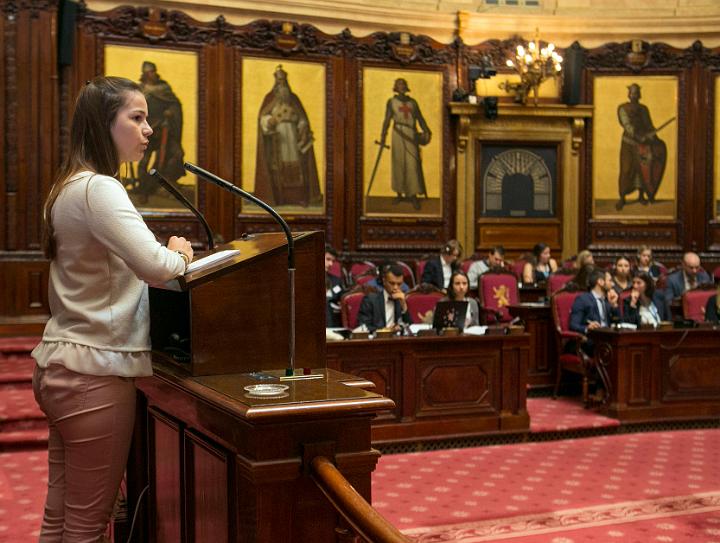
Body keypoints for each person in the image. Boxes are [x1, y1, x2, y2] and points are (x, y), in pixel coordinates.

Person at [31, 76, 193, 541]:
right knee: (86, 525)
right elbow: (157, 267)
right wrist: (180, 252)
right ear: (105, 125)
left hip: (63, 366)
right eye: (137, 118)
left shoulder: (66, 186)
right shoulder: (99, 188)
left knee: (59, 517)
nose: (148, 130)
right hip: (94, 373)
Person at [254, 65, 322, 207]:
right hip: (277, 141)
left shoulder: (294, 99)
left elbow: (303, 119)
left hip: (293, 138)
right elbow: (262, 118)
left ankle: (299, 198)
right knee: (278, 169)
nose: (282, 84)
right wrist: (269, 121)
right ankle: (279, 199)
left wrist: (303, 126)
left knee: (298, 168)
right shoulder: (269, 99)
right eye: (279, 82)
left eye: (284, 81)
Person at [132, 61, 185, 202]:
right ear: (144, 74)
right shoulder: (139, 90)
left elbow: (175, 104)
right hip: (147, 132)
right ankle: (143, 189)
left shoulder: (164, 88)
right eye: (150, 72)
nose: (153, 74)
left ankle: (164, 183)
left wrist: (171, 111)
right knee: (144, 162)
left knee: (177, 153)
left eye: (154, 71)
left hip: (164, 130)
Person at [378, 78, 432, 211]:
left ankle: (413, 195)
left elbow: (420, 118)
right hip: (397, 134)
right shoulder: (392, 102)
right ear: (395, 88)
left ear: (406, 88)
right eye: (399, 85)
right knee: (398, 163)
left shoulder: (413, 103)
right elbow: (387, 119)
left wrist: (426, 130)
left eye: (403, 85)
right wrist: (383, 134)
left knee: (412, 164)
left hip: (410, 134)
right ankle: (399, 193)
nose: (401, 87)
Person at [616, 83, 668, 211]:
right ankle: (622, 198)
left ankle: (641, 196)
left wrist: (653, 135)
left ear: (639, 94)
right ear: (629, 94)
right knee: (626, 169)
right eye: (632, 93)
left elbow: (648, 124)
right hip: (629, 143)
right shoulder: (622, 108)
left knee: (642, 169)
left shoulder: (644, 109)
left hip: (643, 144)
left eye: (636, 93)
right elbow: (627, 125)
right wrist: (638, 136)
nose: (634, 95)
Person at [570, 268, 619, 355]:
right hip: (591, 341)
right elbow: (573, 325)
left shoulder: (608, 300)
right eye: (610, 280)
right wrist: (587, 328)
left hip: (609, 339)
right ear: (600, 282)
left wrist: (614, 305)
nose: (613, 283)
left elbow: (618, 322)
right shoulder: (583, 299)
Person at [357, 263, 411, 332]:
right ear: (384, 281)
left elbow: (410, 327)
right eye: (392, 283)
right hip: (377, 340)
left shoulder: (401, 300)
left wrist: (404, 306)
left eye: (399, 284)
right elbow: (363, 326)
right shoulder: (370, 300)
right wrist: (386, 330)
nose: (395, 287)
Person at [325, 245, 344, 328]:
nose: (331, 264)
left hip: (334, 318)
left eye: (333, 261)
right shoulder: (307, 279)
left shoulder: (336, 281)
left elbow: (342, 297)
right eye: (328, 259)